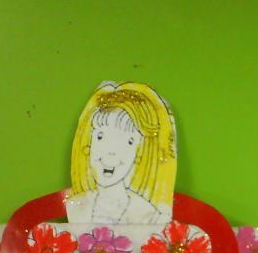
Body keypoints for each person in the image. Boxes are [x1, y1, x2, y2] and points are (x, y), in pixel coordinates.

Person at [66, 81, 176, 224]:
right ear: (88, 144)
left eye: (128, 142)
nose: (110, 152)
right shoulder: (75, 206)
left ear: (138, 152)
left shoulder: (150, 216)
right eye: (100, 137)